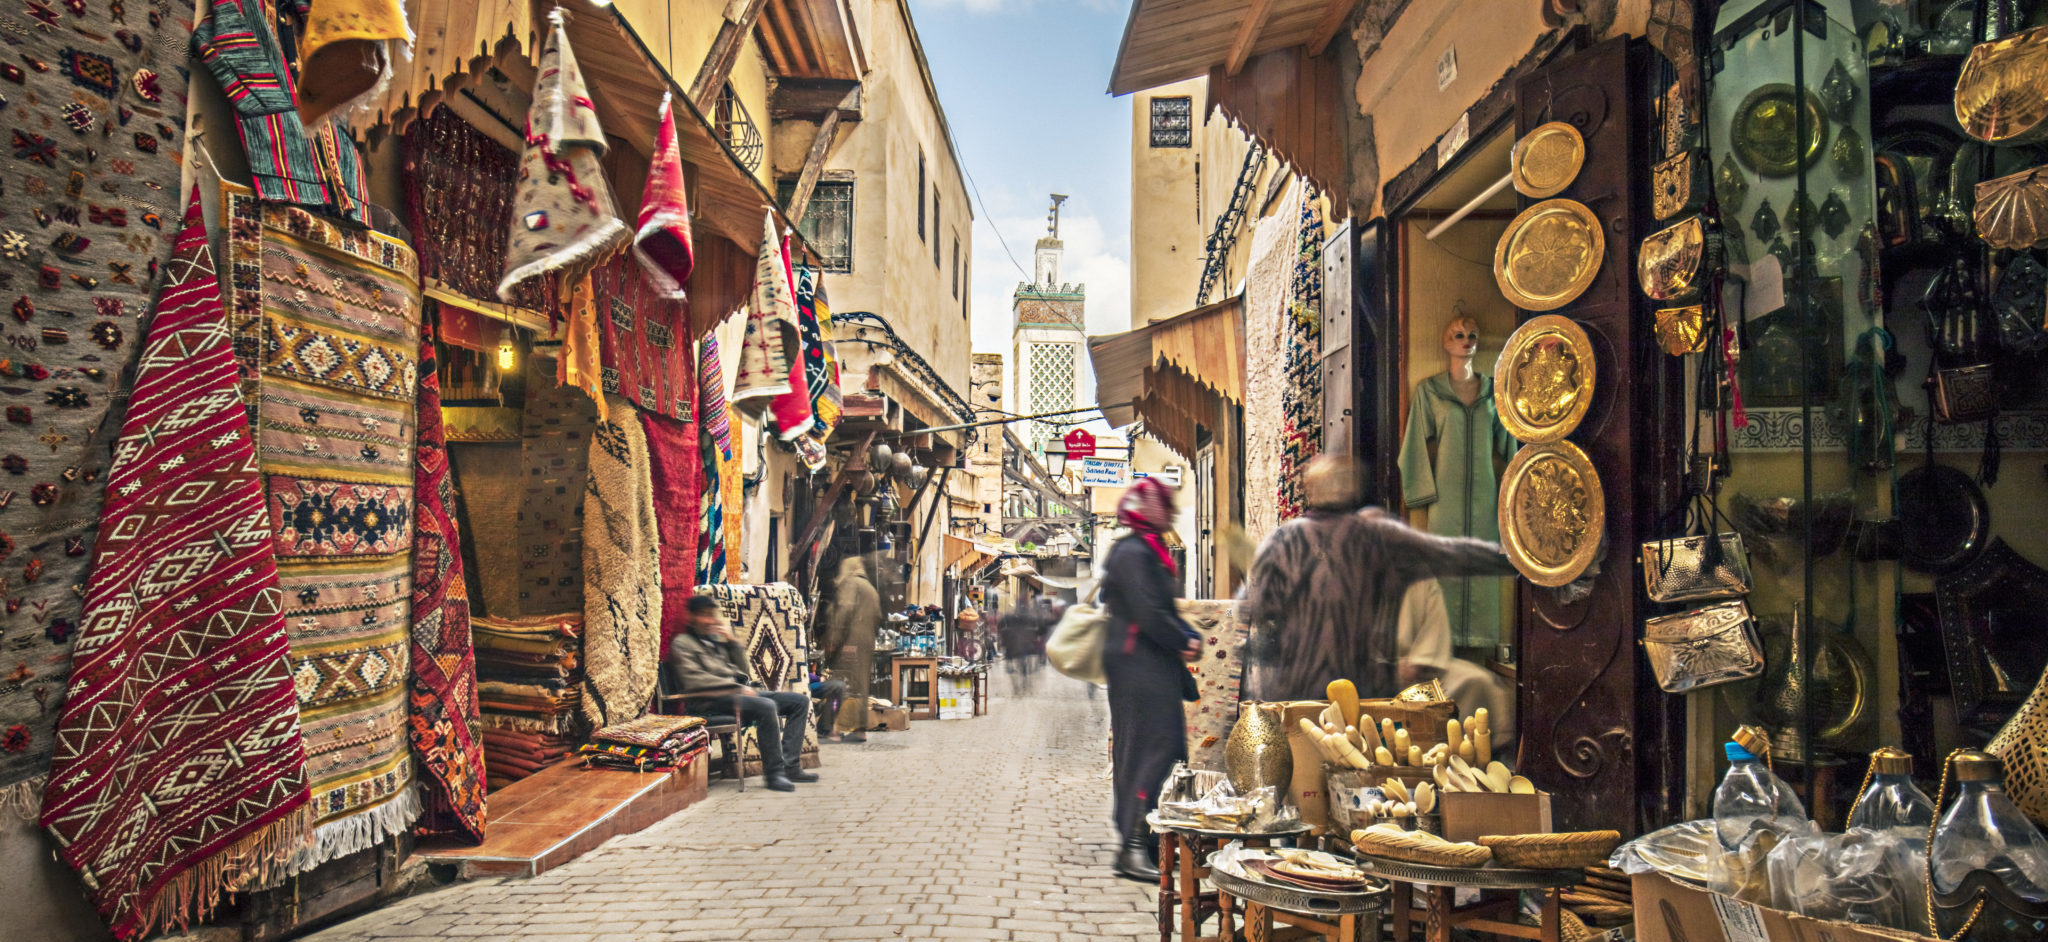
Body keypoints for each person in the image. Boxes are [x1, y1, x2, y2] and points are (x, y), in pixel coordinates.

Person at [1240, 454, 1518, 702]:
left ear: (1309, 490)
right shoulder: (1375, 535)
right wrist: (1517, 559)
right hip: (1359, 689)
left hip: (1294, 689)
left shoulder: (1281, 541)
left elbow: (1247, 608)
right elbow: (1452, 554)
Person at [1099, 477, 1201, 883]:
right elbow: (1147, 610)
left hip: (1147, 664)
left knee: (1163, 746)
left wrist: (1184, 637)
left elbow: (1158, 607)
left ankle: (1143, 838)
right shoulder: (1134, 552)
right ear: (1146, 508)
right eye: (1165, 505)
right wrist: (1183, 638)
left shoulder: (1145, 549)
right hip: (1137, 665)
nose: (1172, 512)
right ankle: (1133, 846)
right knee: (1150, 748)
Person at [1398, 315, 1518, 661]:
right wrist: (1423, 495)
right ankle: (1442, 647)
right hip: (1445, 503)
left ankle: (1481, 653)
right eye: (1458, 335)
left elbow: (1510, 449)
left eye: (1471, 336)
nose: (1466, 341)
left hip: (1485, 503)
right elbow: (1413, 449)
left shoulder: (1494, 393)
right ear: (1446, 343)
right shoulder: (1430, 392)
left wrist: (1514, 499)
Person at [669, 596, 819, 792]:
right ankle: (774, 774)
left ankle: (790, 766)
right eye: (704, 616)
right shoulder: (683, 644)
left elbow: (742, 672)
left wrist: (731, 643)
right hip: (709, 701)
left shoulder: (714, 643)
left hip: (735, 696)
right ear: (692, 617)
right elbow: (694, 681)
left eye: (711, 615)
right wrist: (736, 688)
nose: (710, 620)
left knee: (799, 702)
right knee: (766, 707)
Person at [1397, 578, 1514, 751]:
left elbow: (1434, 630)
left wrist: (1419, 661)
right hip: (1375, 671)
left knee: (1479, 681)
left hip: (1423, 668)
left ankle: (1473, 754)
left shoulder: (1422, 578)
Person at [825, 556, 881, 743]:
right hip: (866, 641)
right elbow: (878, 616)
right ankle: (860, 728)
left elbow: (843, 609)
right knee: (861, 685)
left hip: (850, 641)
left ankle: (836, 729)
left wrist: (834, 639)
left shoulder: (851, 583)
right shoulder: (870, 588)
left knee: (844, 682)